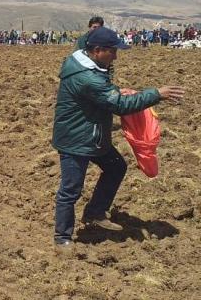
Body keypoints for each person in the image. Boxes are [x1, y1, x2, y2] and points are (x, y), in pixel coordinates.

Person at [52, 27, 184, 249]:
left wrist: (113, 91)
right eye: (112, 51)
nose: (115, 56)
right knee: (71, 189)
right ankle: (62, 237)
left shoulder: (86, 62)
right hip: (75, 140)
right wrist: (156, 94)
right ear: (97, 50)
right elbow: (120, 105)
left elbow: (107, 94)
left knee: (116, 167)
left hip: (92, 136)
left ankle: (95, 212)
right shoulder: (87, 78)